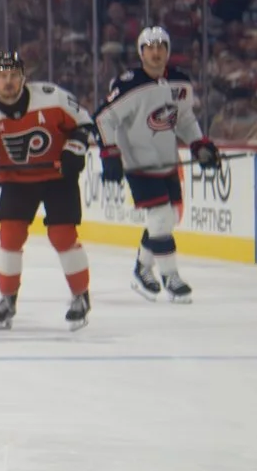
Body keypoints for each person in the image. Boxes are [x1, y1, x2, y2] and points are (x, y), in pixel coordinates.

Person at [0, 51, 94, 330]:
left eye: (14, 75)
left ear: (24, 78)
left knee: (63, 236)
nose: (9, 81)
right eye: (3, 76)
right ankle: (7, 300)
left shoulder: (52, 97)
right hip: (16, 180)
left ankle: (80, 297)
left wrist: (75, 149)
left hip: (58, 177)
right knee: (10, 238)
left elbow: (84, 124)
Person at [94, 25, 222, 302]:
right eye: (149, 47)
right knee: (161, 218)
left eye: (161, 47)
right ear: (141, 53)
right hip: (138, 164)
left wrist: (199, 144)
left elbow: (184, 119)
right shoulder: (129, 84)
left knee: (169, 217)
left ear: (168, 51)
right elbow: (103, 118)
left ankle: (142, 269)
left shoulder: (180, 82)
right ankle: (171, 278)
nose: (156, 52)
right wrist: (110, 153)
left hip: (166, 161)